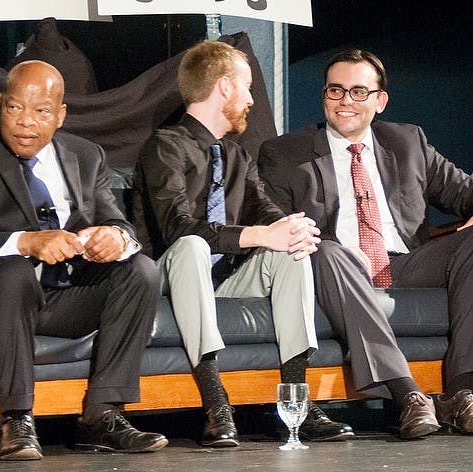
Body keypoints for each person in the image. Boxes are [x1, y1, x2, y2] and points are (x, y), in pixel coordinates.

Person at [258, 48, 473, 436]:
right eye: (336, 90)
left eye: (359, 92)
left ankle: (460, 395)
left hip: (406, 264)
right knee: (327, 251)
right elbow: (273, 222)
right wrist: (342, 250)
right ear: (324, 96)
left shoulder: (407, 142)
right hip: (336, 267)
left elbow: (471, 190)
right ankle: (408, 395)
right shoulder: (285, 152)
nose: (346, 101)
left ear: (380, 101)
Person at [0, 60, 167, 460]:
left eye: (40, 112)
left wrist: (114, 237)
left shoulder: (86, 156)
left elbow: (117, 221)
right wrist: (26, 242)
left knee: (140, 270)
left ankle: (102, 416)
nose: (25, 122)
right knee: (14, 273)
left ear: (60, 115)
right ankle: (16, 419)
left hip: (60, 295)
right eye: (15, 108)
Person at [133, 40, 353, 447]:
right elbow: (177, 229)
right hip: (166, 277)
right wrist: (257, 235)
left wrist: (292, 229)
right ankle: (217, 405)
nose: (253, 99)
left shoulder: (235, 156)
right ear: (224, 88)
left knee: (290, 249)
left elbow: (268, 212)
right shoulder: (164, 147)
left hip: (222, 280)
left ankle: (295, 404)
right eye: (247, 87)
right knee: (193, 246)